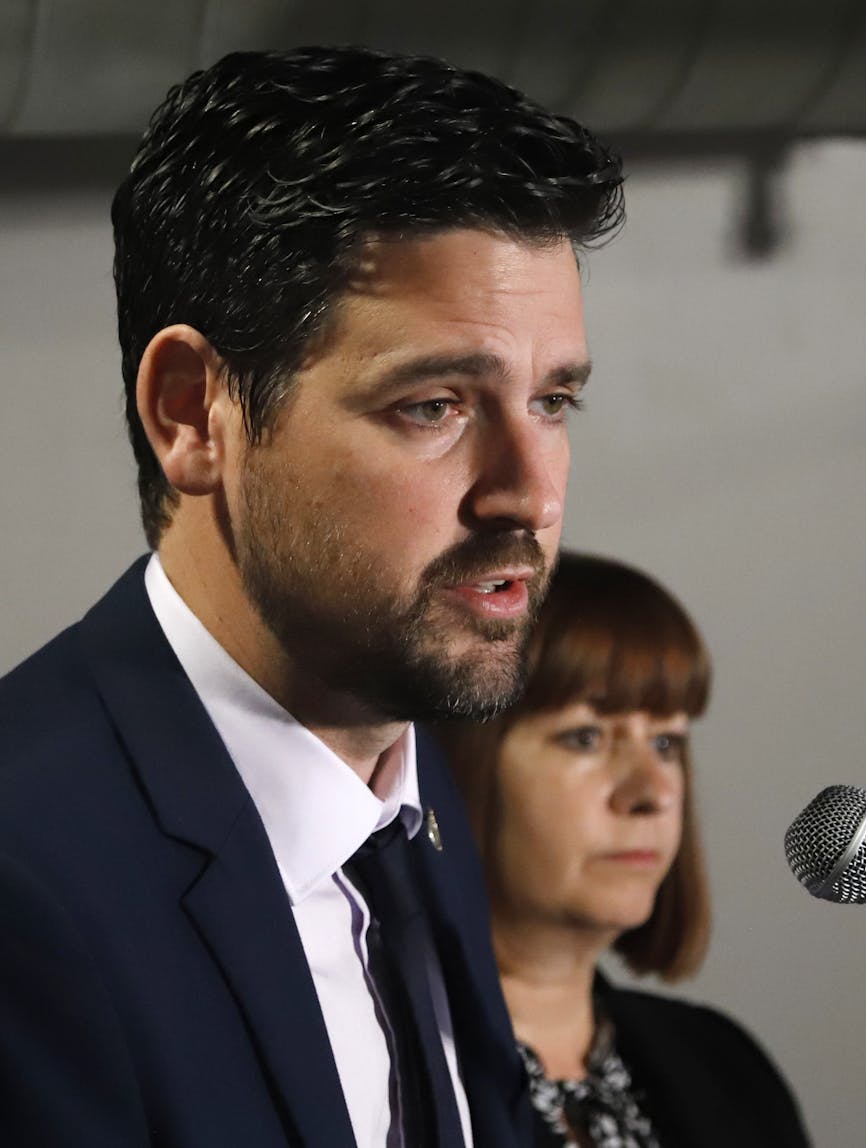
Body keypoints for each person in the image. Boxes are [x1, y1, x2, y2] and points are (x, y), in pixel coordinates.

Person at [0, 47, 625, 1148]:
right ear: (195, 414)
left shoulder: (409, 784)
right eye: (435, 404)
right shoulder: (26, 875)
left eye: (553, 399)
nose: (530, 491)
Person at [432, 552, 810, 1147]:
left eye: (666, 742)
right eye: (586, 737)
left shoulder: (726, 1067)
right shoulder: (371, 1066)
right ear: (459, 759)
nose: (653, 793)